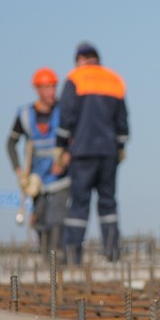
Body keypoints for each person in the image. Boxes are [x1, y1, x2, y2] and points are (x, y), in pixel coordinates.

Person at [55, 42, 130, 265]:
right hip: (108, 152)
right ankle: (112, 251)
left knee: (79, 203)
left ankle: (72, 256)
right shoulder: (114, 79)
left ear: (79, 59)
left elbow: (66, 116)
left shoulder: (75, 78)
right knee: (108, 203)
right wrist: (121, 147)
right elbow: (123, 120)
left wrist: (61, 146)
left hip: (83, 152)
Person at [6, 67, 70, 257]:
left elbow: (76, 138)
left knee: (56, 217)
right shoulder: (25, 115)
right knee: (40, 218)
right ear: (37, 89)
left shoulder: (64, 111)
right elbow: (10, 143)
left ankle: (57, 258)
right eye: (47, 87)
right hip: (37, 178)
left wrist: (66, 158)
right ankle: (45, 257)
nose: (52, 91)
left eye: (54, 87)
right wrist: (19, 172)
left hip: (61, 176)